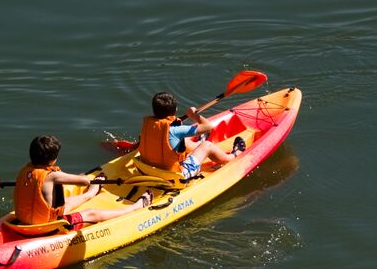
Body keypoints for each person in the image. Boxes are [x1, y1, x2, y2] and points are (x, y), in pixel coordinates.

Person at [14, 135, 149, 227]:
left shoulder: (25, 170)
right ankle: (136, 207)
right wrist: (94, 179)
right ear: (52, 160)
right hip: (46, 225)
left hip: (23, 220)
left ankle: (90, 194)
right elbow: (84, 181)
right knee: (92, 213)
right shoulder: (53, 176)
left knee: (66, 202)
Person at [136, 91, 245, 182]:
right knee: (207, 145)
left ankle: (198, 144)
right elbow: (208, 127)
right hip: (174, 176)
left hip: (147, 169)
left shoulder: (147, 125)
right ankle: (231, 157)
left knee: (182, 141)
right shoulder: (177, 130)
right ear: (175, 111)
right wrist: (194, 116)